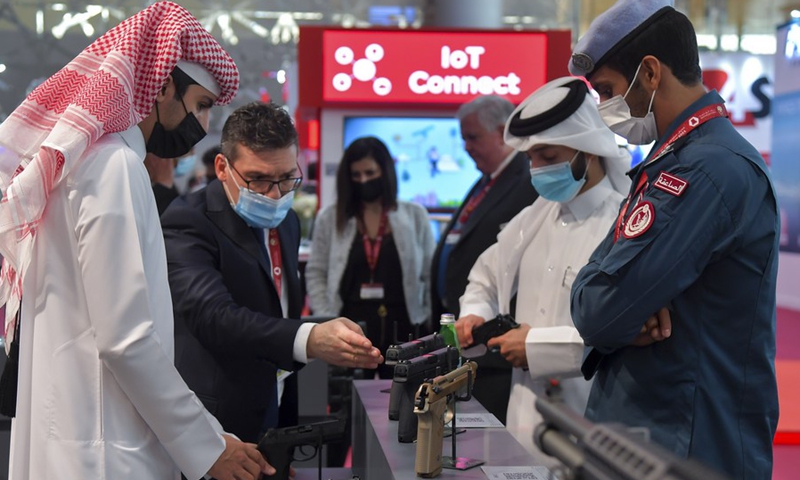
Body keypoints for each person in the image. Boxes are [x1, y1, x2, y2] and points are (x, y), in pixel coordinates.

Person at [0, 3, 272, 480]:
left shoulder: (83, 163)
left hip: (77, 433)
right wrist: (209, 446)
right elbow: (125, 340)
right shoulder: (115, 167)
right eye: (201, 105)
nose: (203, 125)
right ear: (163, 85)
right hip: (105, 450)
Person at [568, 1, 779, 478]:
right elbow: (603, 298)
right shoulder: (677, 160)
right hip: (653, 437)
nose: (603, 106)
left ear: (650, 73)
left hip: (683, 447)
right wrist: (619, 304)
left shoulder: (704, 170)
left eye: (607, 90)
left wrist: (614, 307)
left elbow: (598, 311)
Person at [161, 103, 383, 446]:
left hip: (276, 405)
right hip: (216, 422)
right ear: (223, 168)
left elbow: (278, 303)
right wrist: (309, 338)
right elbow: (213, 316)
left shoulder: (287, 220)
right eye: (259, 180)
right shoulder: (189, 220)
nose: (275, 194)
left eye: (287, 178)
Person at [455, 77, 630, 465]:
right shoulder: (532, 220)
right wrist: (475, 313)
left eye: (548, 157)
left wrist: (535, 347)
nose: (536, 169)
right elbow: (484, 276)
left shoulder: (623, 227)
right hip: (523, 424)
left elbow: (624, 331)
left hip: (590, 424)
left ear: (589, 151)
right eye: (531, 158)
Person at [430, 95, 537, 423]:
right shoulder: (487, 181)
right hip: (471, 334)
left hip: (498, 351)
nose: (466, 147)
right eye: (463, 138)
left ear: (502, 132)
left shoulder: (528, 182)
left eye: (473, 137)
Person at [306, 136, 435, 380]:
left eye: (370, 173)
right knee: (349, 396)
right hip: (349, 329)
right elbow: (316, 272)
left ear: (385, 171)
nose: (363, 180)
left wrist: (428, 319)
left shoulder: (414, 215)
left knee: (403, 396)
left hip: (404, 328)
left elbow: (429, 273)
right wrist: (326, 317)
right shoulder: (330, 217)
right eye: (356, 175)